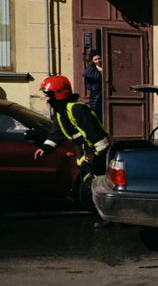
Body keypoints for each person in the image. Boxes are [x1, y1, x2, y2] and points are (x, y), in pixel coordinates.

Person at [34, 75, 109, 204]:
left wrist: (99, 158)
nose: (46, 99)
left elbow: (95, 133)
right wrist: (45, 148)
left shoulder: (76, 109)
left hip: (94, 156)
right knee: (86, 190)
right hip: (84, 156)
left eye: (47, 95)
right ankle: (101, 215)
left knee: (92, 189)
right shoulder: (60, 112)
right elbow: (56, 134)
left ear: (57, 94)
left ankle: (107, 216)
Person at [83, 49, 103, 120]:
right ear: (92, 60)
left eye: (99, 58)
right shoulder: (90, 69)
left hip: (104, 92)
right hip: (96, 94)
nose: (98, 61)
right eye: (95, 59)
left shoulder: (106, 67)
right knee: (97, 112)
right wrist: (92, 88)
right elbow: (87, 81)